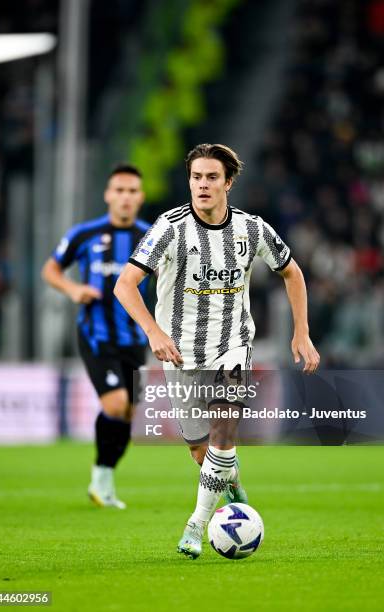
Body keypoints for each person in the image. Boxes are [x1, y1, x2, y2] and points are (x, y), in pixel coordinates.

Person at [114, 143, 320, 557]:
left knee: (225, 428)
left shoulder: (252, 229)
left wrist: (302, 332)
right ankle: (233, 485)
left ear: (228, 183)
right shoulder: (169, 228)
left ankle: (196, 525)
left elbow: (292, 272)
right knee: (200, 447)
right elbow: (124, 285)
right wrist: (154, 332)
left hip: (232, 347)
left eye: (211, 177)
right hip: (180, 353)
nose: (202, 185)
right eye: (196, 177)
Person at [42, 164, 150, 509]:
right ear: (108, 195)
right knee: (116, 403)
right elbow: (51, 268)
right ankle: (101, 480)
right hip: (96, 335)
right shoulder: (84, 234)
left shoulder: (152, 237)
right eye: (119, 190)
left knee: (129, 413)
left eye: (132, 191)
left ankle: (103, 477)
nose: (125, 197)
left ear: (141, 197)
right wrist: (72, 289)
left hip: (135, 338)